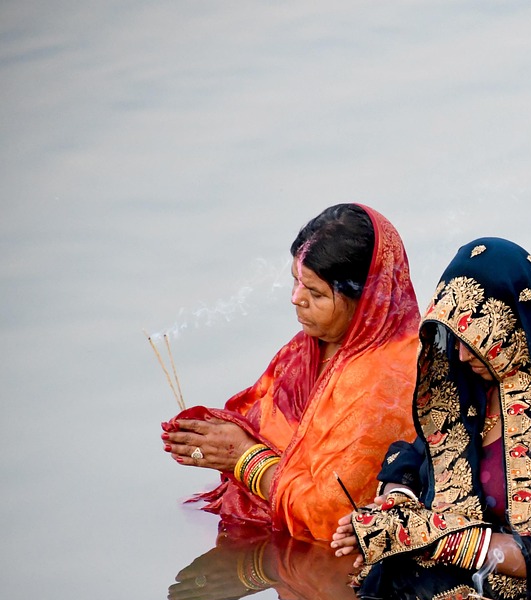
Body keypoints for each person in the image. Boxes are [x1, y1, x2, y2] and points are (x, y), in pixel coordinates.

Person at [331, 238, 531, 600]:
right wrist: (390, 507)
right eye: (459, 342)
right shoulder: (474, 389)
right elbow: (419, 453)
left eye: (477, 342)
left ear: (514, 325)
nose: (463, 357)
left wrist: (425, 536)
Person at [161, 204, 420, 542]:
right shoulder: (311, 346)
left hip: (333, 556)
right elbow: (263, 423)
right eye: (296, 282)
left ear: (369, 299)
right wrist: (215, 440)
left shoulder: (388, 378)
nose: (296, 299)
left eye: (315, 293)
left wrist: (243, 457)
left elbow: (334, 516)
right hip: (276, 512)